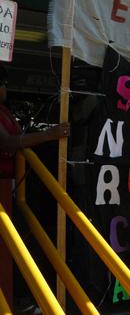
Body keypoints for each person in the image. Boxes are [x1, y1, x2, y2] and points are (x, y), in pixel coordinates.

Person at [0, 63, 70, 309]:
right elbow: (8, 143)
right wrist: (50, 134)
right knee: (18, 247)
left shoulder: (5, 112)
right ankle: (24, 300)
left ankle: (27, 299)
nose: (4, 88)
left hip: (13, 190)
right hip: (4, 191)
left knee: (24, 243)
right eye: (2, 83)